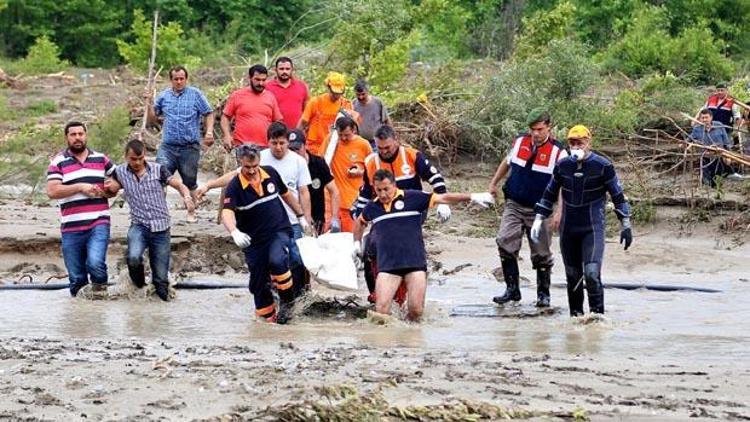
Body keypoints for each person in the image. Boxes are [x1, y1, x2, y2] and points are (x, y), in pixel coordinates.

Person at [353, 169, 494, 321]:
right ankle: (384, 342)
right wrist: (356, 243)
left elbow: (444, 197)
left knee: (416, 310)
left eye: (386, 189)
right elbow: (360, 222)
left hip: (414, 264)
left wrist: (472, 196)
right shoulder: (372, 207)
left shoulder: (413, 198)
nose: (382, 194)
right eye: (378, 190)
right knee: (381, 311)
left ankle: (410, 340)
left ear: (394, 185)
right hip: (387, 266)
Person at [532, 125, 632, 317]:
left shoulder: (602, 166)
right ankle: (576, 320)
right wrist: (538, 219)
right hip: (568, 230)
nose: (576, 146)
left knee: (592, 274)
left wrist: (625, 223)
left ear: (589, 142)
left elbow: (618, 196)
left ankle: (597, 319)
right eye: (572, 143)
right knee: (572, 277)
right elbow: (549, 194)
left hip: (592, 228)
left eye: (580, 142)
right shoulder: (563, 166)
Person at [352, 124, 450, 303]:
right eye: (380, 148)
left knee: (401, 244)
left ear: (396, 141)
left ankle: (407, 290)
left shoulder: (411, 155)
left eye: (387, 147)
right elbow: (365, 193)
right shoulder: (371, 162)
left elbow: (434, 177)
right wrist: (359, 220)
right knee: (370, 249)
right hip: (384, 211)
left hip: (412, 211)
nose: (384, 152)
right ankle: (376, 293)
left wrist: (442, 202)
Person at [487, 108, 568, 308]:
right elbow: (506, 163)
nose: (535, 133)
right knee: (504, 241)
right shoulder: (520, 142)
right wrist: (494, 183)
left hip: (541, 210)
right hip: (514, 203)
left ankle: (543, 294)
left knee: (541, 253)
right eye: (532, 129)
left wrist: (559, 211)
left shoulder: (559, 152)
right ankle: (512, 290)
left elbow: (563, 186)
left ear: (549, 127)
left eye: (539, 129)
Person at [222, 145, 309, 324]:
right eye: (247, 167)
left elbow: (286, 195)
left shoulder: (270, 173)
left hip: (278, 230)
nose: (252, 171)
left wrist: (300, 215)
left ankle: (288, 303)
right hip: (253, 241)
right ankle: (267, 320)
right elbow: (227, 212)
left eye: (255, 166)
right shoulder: (234, 187)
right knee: (258, 283)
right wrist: (234, 231)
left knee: (277, 260)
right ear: (240, 163)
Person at [105, 140, 195, 301]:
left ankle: (161, 308)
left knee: (161, 280)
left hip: (161, 228)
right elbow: (111, 188)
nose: (137, 162)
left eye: (140, 158)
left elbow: (178, 184)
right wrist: (107, 189)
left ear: (144, 155)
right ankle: (138, 287)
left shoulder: (158, 169)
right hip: (139, 226)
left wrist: (187, 197)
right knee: (133, 258)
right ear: (126, 157)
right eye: (133, 159)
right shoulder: (120, 172)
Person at [46, 121, 114, 297]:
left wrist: (110, 189)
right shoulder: (58, 162)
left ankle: (99, 306)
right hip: (71, 227)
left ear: (86, 135)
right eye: (73, 134)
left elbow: (118, 180)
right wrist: (80, 187)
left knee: (95, 264)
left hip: (99, 221)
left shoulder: (101, 158)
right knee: (77, 278)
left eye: (80, 134)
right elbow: (52, 191)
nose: (77, 137)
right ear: (67, 137)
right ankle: (80, 317)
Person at [146, 65, 214, 223]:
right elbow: (152, 120)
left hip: (189, 147)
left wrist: (209, 132)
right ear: (171, 80)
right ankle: (159, 214)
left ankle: (191, 211)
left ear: (186, 79)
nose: (179, 82)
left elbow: (208, 113)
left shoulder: (195, 94)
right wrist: (149, 104)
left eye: (181, 79)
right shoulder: (164, 97)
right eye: (175, 79)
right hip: (168, 146)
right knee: (159, 178)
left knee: (190, 181)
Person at [260, 122, 314, 296]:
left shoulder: (298, 161)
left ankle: (299, 294)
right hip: (267, 222)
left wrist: (306, 219)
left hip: (293, 219)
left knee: (297, 258)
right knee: (272, 259)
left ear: (287, 143)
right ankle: (276, 294)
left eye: (282, 143)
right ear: (268, 142)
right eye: (274, 143)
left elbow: (304, 192)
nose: (278, 147)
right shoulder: (260, 159)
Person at [319, 116, 372, 232]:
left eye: (346, 135)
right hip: (331, 199)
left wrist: (360, 172)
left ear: (354, 130)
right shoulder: (331, 141)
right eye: (340, 134)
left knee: (350, 239)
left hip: (352, 201)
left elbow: (372, 170)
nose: (343, 138)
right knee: (328, 237)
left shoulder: (363, 145)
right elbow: (321, 162)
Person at [288, 129, 342, 234]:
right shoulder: (286, 166)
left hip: (317, 220)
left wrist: (334, 218)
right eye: (291, 150)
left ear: (305, 146)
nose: (294, 153)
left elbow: (334, 191)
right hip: (293, 219)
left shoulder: (318, 163)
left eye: (297, 149)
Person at [221, 64, 283, 150]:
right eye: (257, 80)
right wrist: (227, 135)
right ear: (250, 78)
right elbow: (225, 117)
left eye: (263, 80)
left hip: (265, 147)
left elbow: (278, 121)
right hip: (242, 146)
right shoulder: (237, 95)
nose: (261, 83)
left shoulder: (270, 97)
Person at [298, 72, 355, 155]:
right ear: (328, 88)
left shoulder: (346, 104)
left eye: (339, 93)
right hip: (315, 149)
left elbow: (352, 129)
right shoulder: (316, 102)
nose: (337, 95)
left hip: (335, 149)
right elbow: (303, 123)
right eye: (334, 93)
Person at [691, 109, 734, 187]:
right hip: (705, 157)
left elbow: (726, 142)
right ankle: (707, 194)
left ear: (711, 117)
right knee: (706, 180)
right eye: (702, 118)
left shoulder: (719, 125)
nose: (704, 120)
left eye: (706, 117)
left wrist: (728, 156)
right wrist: (685, 145)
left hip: (718, 157)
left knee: (718, 179)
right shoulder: (697, 129)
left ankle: (717, 193)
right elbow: (690, 139)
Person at [265, 57, 309, 130]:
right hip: (276, 133)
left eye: (287, 69)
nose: (284, 71)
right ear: (275, 70)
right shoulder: (267, 87)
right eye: (281, 69)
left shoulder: (302, 86)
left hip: (298, 132)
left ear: (292, 70)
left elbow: (307, 110)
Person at [353, 80, 391, 147]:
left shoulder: (377, 102)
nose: (360, 97)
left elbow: (386, 120)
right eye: (358, 95)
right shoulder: (353, 104)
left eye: (363, 94)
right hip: (359, 142)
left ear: (368, 92)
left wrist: (391, 136)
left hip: (376, 141)